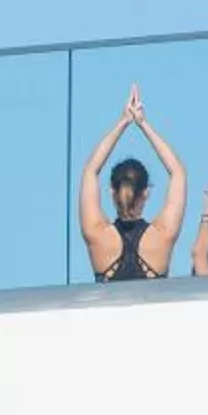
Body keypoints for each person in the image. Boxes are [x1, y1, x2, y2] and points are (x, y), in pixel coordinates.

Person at [78, 85, 185, 282]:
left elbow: (90, 170)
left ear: (112, 191)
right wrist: (143, 124)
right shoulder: (163, 235)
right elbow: (178, 172)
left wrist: (123, 121)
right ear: (146, 193)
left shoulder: (96, 234)